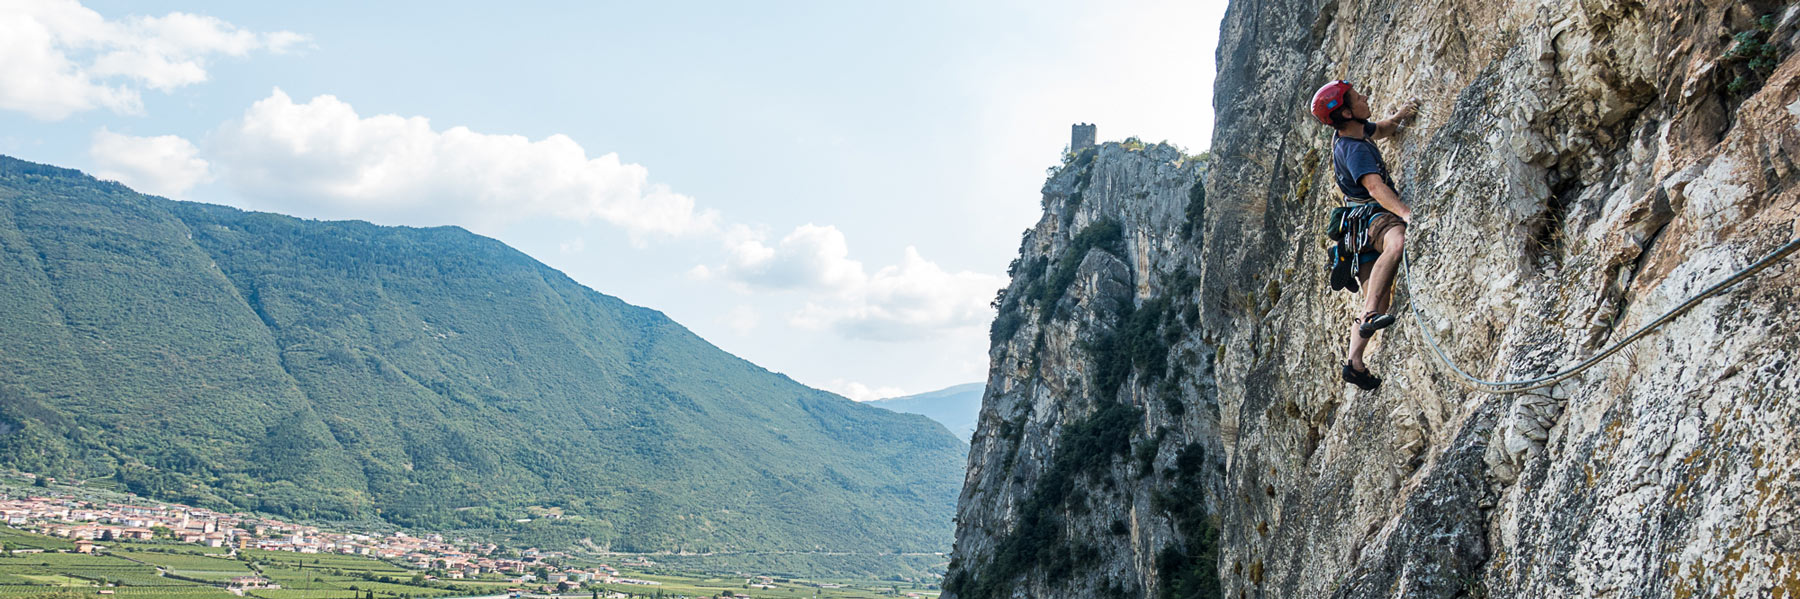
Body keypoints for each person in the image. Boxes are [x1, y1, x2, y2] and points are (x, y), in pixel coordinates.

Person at [1311, 80, 1416, 390]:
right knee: (1397, 242)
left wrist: (1399, 117)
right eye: (1358, 97)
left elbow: (1381, 129)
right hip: (1373, 219)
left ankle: (1354, 362)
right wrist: (1406, 214)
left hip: (1356, 231)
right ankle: (1370, 315)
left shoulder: (1353, 133)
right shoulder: (1354, 150)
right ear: (1346, 112)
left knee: (1379, 296)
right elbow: (1374, 187)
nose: (1366, 96)